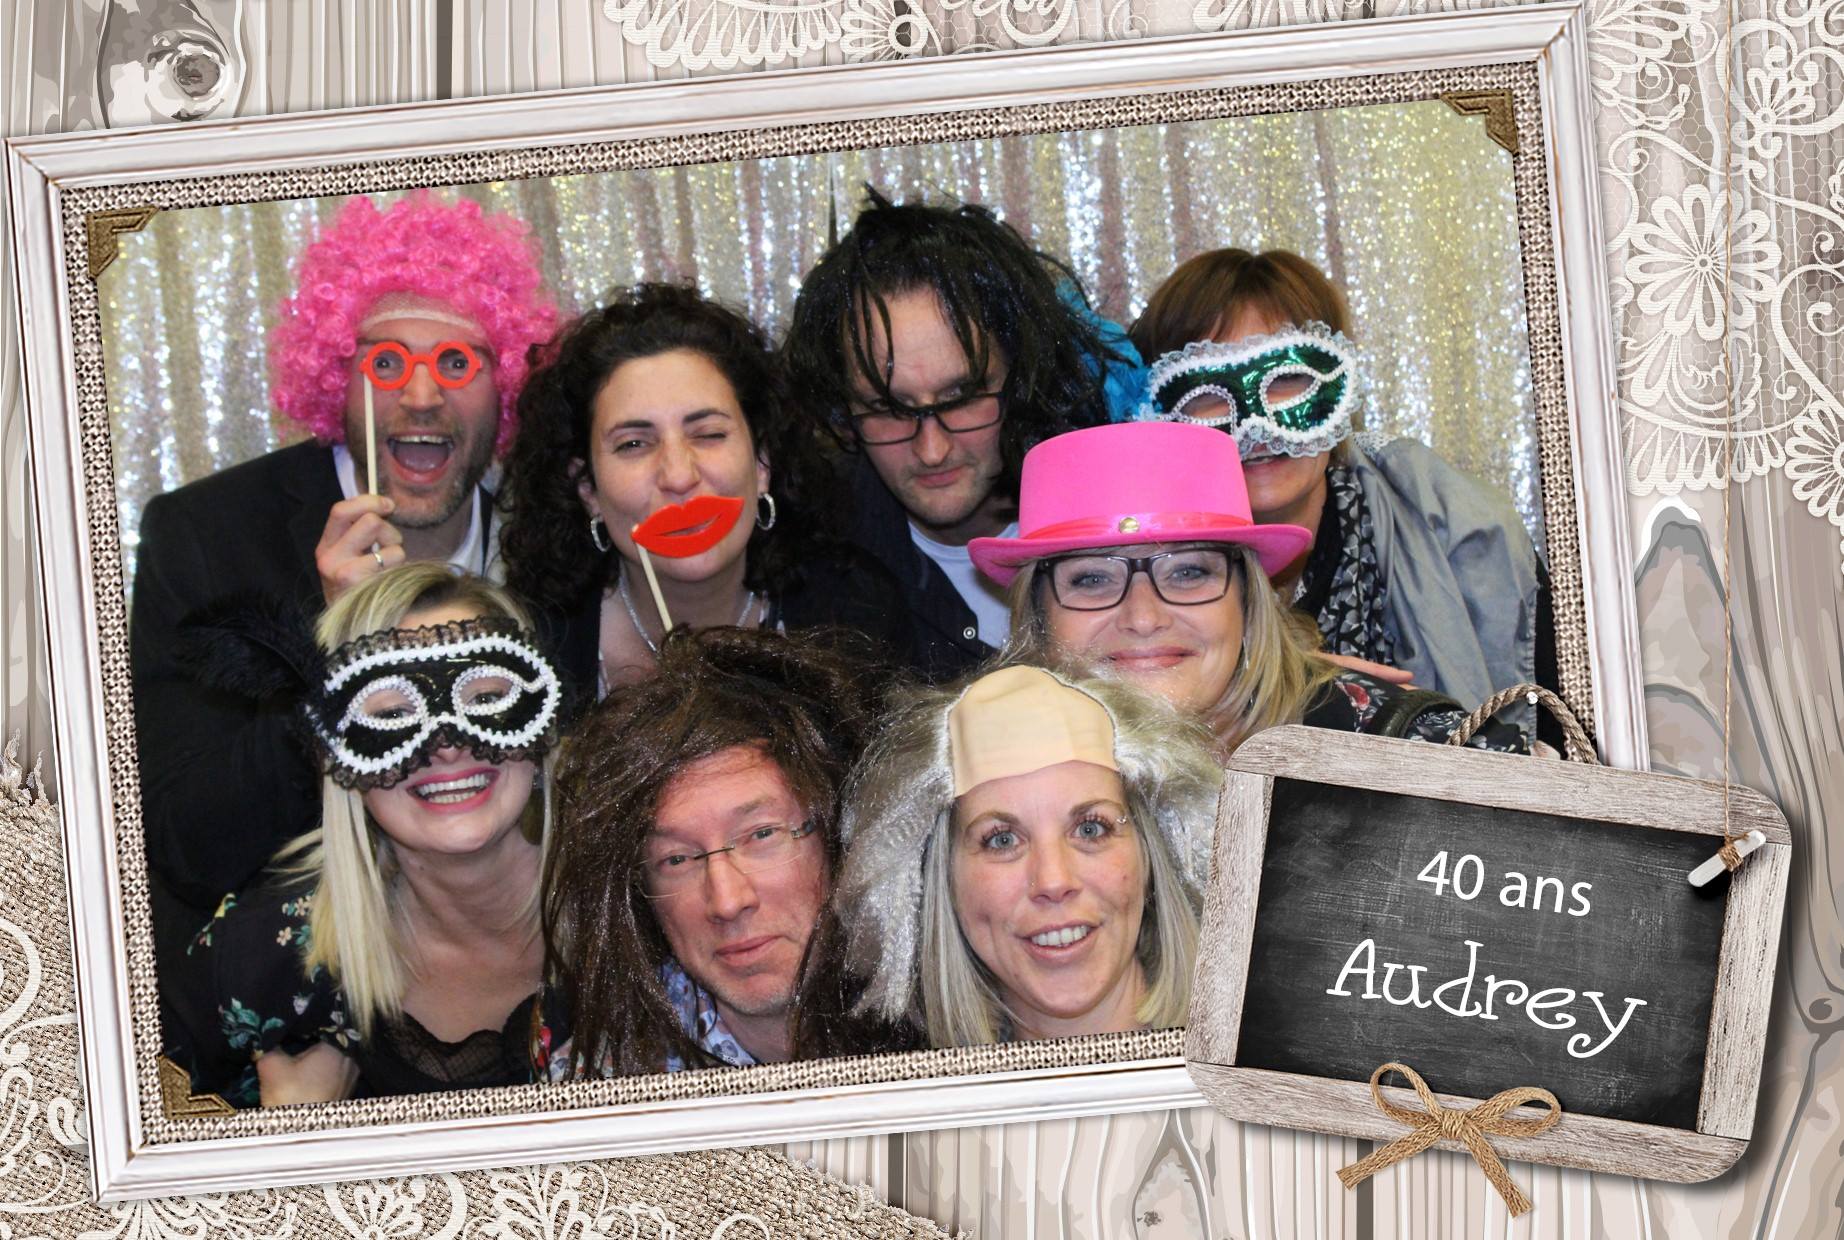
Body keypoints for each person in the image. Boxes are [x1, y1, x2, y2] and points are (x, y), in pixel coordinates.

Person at [130, 192, 558, 967]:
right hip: (303, 970)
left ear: (506, 388)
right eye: (384, 363)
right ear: (335, 378)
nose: (421, 397)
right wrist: (328, 656)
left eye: (456, 363)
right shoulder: (206, 536)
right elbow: (182, 846)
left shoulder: (549, 548)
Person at [163, 563, 565, 1107]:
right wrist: (288, 1141)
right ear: (336, 760)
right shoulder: (265, 955)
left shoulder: (644, 901)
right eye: (393, 717)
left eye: (487, 701)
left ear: (541, 729)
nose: (448, 745)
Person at [1128, 247, 1555, 720]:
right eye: (1206, 392)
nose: (1257, 428)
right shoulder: (1126, 584)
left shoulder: (1461, 533)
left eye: (1289, 378)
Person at [970, 421, 1527, 754]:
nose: (1143, 617)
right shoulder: (979, 789)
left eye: (1188, 573)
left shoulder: (1397, 753)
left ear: (1248, 598)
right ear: (1037, 617)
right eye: (1092, 579)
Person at [781, 189, 1135, 681]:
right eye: (889, 409)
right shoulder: (815, 571)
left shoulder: (1120, 513)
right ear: (844, 408)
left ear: (1022, 379)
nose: (932, 450)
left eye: (962, 398)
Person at [498, 283, 913, 700]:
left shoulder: (860, 613)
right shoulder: (529, 646)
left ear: (762, 463)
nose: (679, 477)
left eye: (709, 434)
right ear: (588, 489)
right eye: (634, 444)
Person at [541, 627, 899, 1077]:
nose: (727, 902)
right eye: (677, 860)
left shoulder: (955, 1030)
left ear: (840, 838)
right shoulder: (600, 1094)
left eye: (761, 835)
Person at [835, 664, 1221, 1048]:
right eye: (1002, 840)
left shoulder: (1248, 1067)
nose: (1054, 881)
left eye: (1090, 829)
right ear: (942, 883)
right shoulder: (909, 1088)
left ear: (1149, 854)